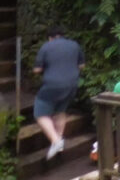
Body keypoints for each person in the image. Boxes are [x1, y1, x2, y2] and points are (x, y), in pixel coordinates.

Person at [33, 26, 84, 160]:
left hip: (52, 85)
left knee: (40, 113)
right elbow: (81, 66)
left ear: (50, 38)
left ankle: (55, 141)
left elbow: (37, 69)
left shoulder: (46, 47)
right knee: (60, 111)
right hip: (72, 85)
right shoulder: (74, 45)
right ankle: (59, 140)